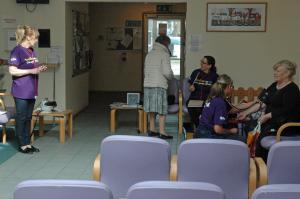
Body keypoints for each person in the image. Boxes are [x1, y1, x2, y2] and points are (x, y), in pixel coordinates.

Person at [238, 60, 300, 160]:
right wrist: (245, 113)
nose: (274, 73)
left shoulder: (292, 89)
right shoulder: (273, 86)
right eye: (275, 70)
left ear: (287, 73)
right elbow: (261, 102)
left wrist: (267, 116)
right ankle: (254, 161)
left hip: (285, 126)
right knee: (249, 126)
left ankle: (263, 163)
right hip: (272, 122)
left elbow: (287, 110)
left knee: (257, 132)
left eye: (278, 71)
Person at [8, 25, 47, 154]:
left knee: (28, 117)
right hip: (21, 91)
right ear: (29, 37)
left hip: (31, 90)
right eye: (35, 38)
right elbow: (12, 70)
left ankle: (27, 143)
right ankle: (22, 144)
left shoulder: (31, 50)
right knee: (22, 117)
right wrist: (32, 70)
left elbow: (32, 67)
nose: (36, 41)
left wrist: (39, 68)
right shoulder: (17, 51)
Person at [195, 74, 243, 141]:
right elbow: (217, 129)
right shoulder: (220, 103)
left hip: (199, 133)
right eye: (232, 86)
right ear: (229, 86)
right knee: (241, 139)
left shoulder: (211, 98)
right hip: (208, 136)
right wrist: (231, 131)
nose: (232, 89)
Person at [143, 35, 174, 139]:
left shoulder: (149, 54)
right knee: (162, 109)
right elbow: (167, 72)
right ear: (166, 43)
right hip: (159, 85)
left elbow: (145, 70)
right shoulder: (164, 54)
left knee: (152, 108)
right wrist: (171, 76)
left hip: (148, 84)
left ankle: (152, 129)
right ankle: (162, 132)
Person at [187, 55, 218, 127]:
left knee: (202, 109)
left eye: (203, 63)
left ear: (209, 66)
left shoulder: (214, 76)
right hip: (195, 98)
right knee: (192, 108)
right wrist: (191, 88)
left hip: (207, 100)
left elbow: (216, 90)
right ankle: (199, 127)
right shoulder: (196, 72)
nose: (201, 64)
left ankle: (202, 127)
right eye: (201, 61)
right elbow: (190, 86)